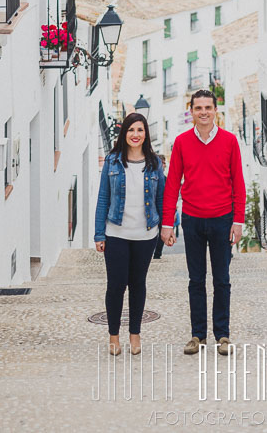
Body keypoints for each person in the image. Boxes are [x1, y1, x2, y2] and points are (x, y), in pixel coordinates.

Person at [160, 89, 245, 357]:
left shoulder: (230, 141)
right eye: (199, 108)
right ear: (192, 112)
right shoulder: (182, 142)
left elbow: (238, 184)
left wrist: (238, 221)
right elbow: (172, 183)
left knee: (222, 280)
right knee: (196, 280)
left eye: (208, 107)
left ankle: (223, 335)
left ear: (215, 111)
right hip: (192, 220)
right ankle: (198, 335)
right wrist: (166, 223)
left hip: (222, 220)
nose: (204, 112)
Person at [94, 113, 165, 356]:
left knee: (138, 285)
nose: (136, 134)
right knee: (115, 286)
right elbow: (103, 197)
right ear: (124, 133)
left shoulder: (155, 163)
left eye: (140, 130)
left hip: (146, 235)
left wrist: (167, 229)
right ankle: (114, 335)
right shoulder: (113, 161)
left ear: (146, 134)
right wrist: (99, 234)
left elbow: (161, 199)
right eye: (131, 130)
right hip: (116, 233)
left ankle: (135, 333)